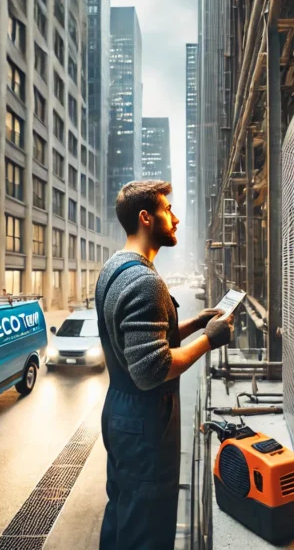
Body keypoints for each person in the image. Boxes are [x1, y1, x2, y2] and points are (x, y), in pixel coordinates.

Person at [96, 180, 233, 550]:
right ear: (145, 218)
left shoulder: (115, 267)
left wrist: (193, 324)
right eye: (166, 210)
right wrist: (211, 339)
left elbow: (140, 338)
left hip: (122, 414)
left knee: (124, 513)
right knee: (148, 529)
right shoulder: (145, 281)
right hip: (145, 422)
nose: (175, 218)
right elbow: (152, 368)